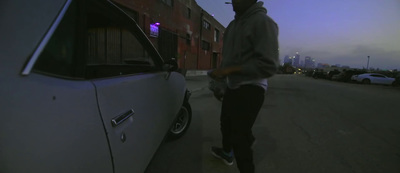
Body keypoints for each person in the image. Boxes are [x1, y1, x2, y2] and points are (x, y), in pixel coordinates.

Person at [208, 0, 279, 172]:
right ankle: (227, 152)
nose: (233, 1)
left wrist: (230, 70)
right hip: (232, 85)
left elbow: (268, 66)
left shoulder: (264, 23)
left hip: (252, 86)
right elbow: (227, 59)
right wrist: (220, 81)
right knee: (226, 123)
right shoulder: (232, 26)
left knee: (239, 138)